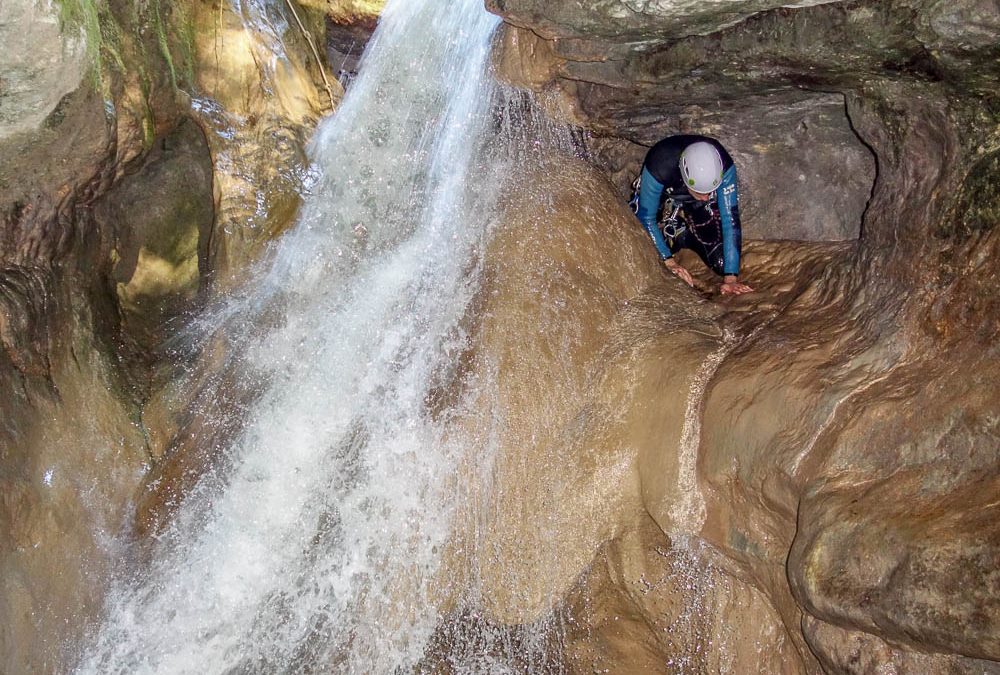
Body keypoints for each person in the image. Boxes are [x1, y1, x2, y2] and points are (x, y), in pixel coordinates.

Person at [631, 135, 753, 295]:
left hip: (692, 200)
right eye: (702, 192)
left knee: (721, 263)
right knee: (644, 247)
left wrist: (731, 279)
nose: (707, 197)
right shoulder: (660, 163)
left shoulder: (723, 165)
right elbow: (645, 218)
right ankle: (669, 231)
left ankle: (683, 234)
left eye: (710, 192)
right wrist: (669, 262)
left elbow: (730, 219)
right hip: (665, 193)